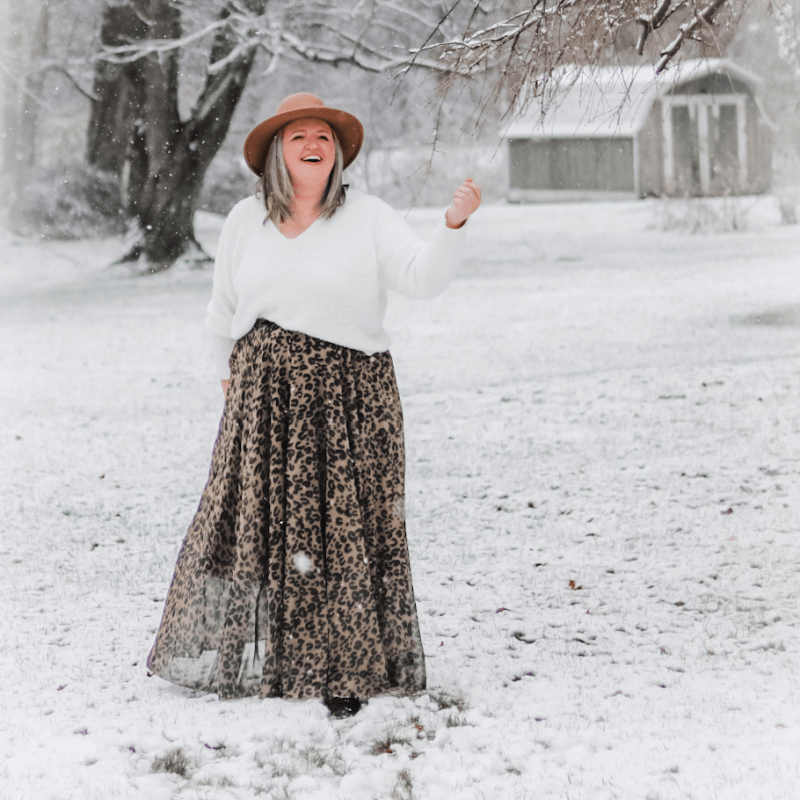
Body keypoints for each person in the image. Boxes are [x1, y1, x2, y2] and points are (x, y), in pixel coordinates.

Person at [146, 93, 481, 718]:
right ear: (277, 151)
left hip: (353, 398)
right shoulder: (244, 222)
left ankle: (345, 664)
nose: (311, 143)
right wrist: (225, 378)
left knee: (344, 530)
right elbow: (219, 315)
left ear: (337, 153)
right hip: (264, 399)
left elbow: (421, 278)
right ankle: (266, 657)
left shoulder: (370, 216)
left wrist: (453, 225)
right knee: (261, 527)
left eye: (323, 136)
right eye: (298, 134)